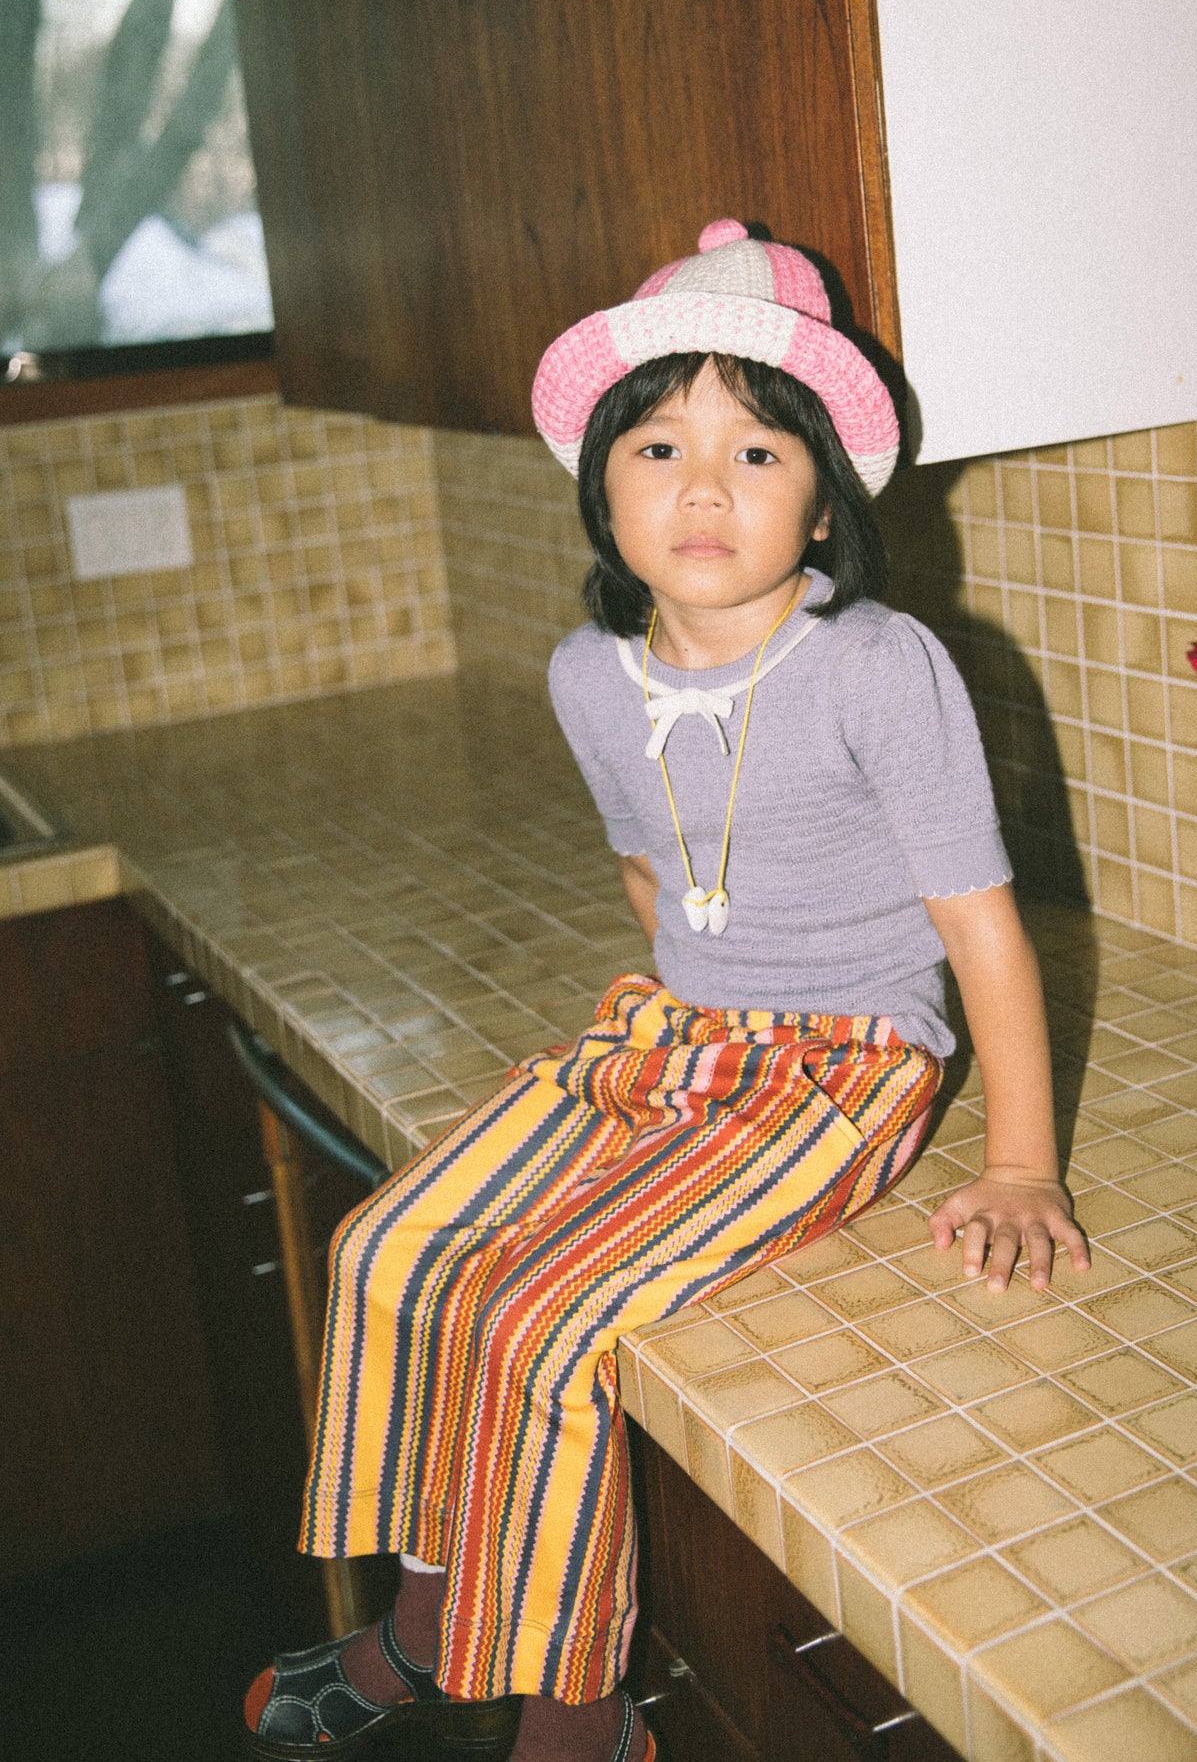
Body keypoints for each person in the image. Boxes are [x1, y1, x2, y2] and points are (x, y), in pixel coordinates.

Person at [243, 220, 1089, 1762]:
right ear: (602, 483)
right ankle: (435, 1621)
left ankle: (579, 1711)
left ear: (823, 498)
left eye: (758, 449)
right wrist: (680, 1021)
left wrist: (1020, 1159)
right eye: (660, 442)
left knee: (547, 1315)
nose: (703, 487)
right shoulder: (587, 673)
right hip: (677, 1030)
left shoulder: (878, 664)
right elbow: (654, 872)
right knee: (391, 1243)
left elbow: (983, 937)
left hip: (845, 1060)